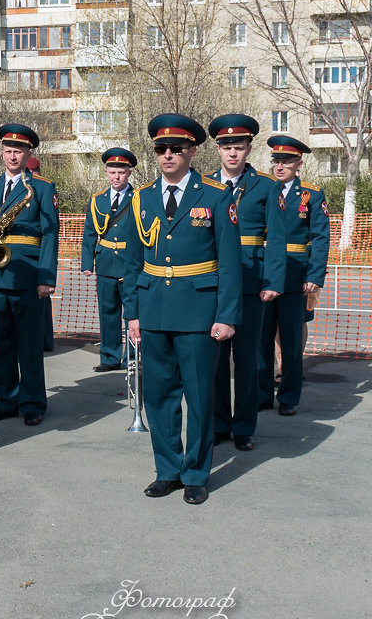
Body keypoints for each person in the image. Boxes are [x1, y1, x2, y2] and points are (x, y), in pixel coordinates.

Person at [122, 114, 241, 505]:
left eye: (176, 148)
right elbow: (132, 261)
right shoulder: (141, 198)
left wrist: (226, 316)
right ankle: (168, 470)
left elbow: (229, 262)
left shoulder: (215, 195)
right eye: (160, 149)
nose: (168, 155)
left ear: (192, 151)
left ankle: (195, 474)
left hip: (198, 311)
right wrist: (133, 313)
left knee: (200, 397)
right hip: (153, 308)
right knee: (158, 396)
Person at [207, 115, 285, 448]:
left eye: (238, 147)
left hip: (253, 281)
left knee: (248, 358)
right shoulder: (204, 185)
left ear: (248, 148)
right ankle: (220, 423)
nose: (232, 154)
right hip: (215, 282)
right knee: (216, 359)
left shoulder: (266, 186)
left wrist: (274, 280)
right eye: (226, 148)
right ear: (218, 150)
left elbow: (278, 237)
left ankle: (244, 428)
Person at [0, 125, 60, 426]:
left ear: (28, 154)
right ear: (2, 153)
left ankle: (33, 402)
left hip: (28, 274)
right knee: (0, 343)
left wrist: (46, 276)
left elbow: (51, 233)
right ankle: (5, 401)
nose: (12, 156)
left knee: (28, 344)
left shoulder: (41, 187)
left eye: (18, 151)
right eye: (8, 151)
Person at [259, 135, 328, 417]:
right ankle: (263, 394)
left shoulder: (311, 194)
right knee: (262, 338)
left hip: (296, 274)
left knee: (290, 339)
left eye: (286, 161)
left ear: (298, 164)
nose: (279, 166)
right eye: (276, 160)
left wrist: (314, 275)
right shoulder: (264, 190)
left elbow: (321, 237)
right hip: (266, 273)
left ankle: (289, 396)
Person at [79, 148, 137, 374]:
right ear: (106, 173)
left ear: (129, 173)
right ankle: (110, 356)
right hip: (105, 264)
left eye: (121, 172)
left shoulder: (139, 198)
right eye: (112, 172)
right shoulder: (97, 201)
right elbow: (89, 233)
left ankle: (133, 357)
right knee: (108, 313)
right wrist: (87, 262)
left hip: (130, 263)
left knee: (132, 313)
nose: (116, 177)